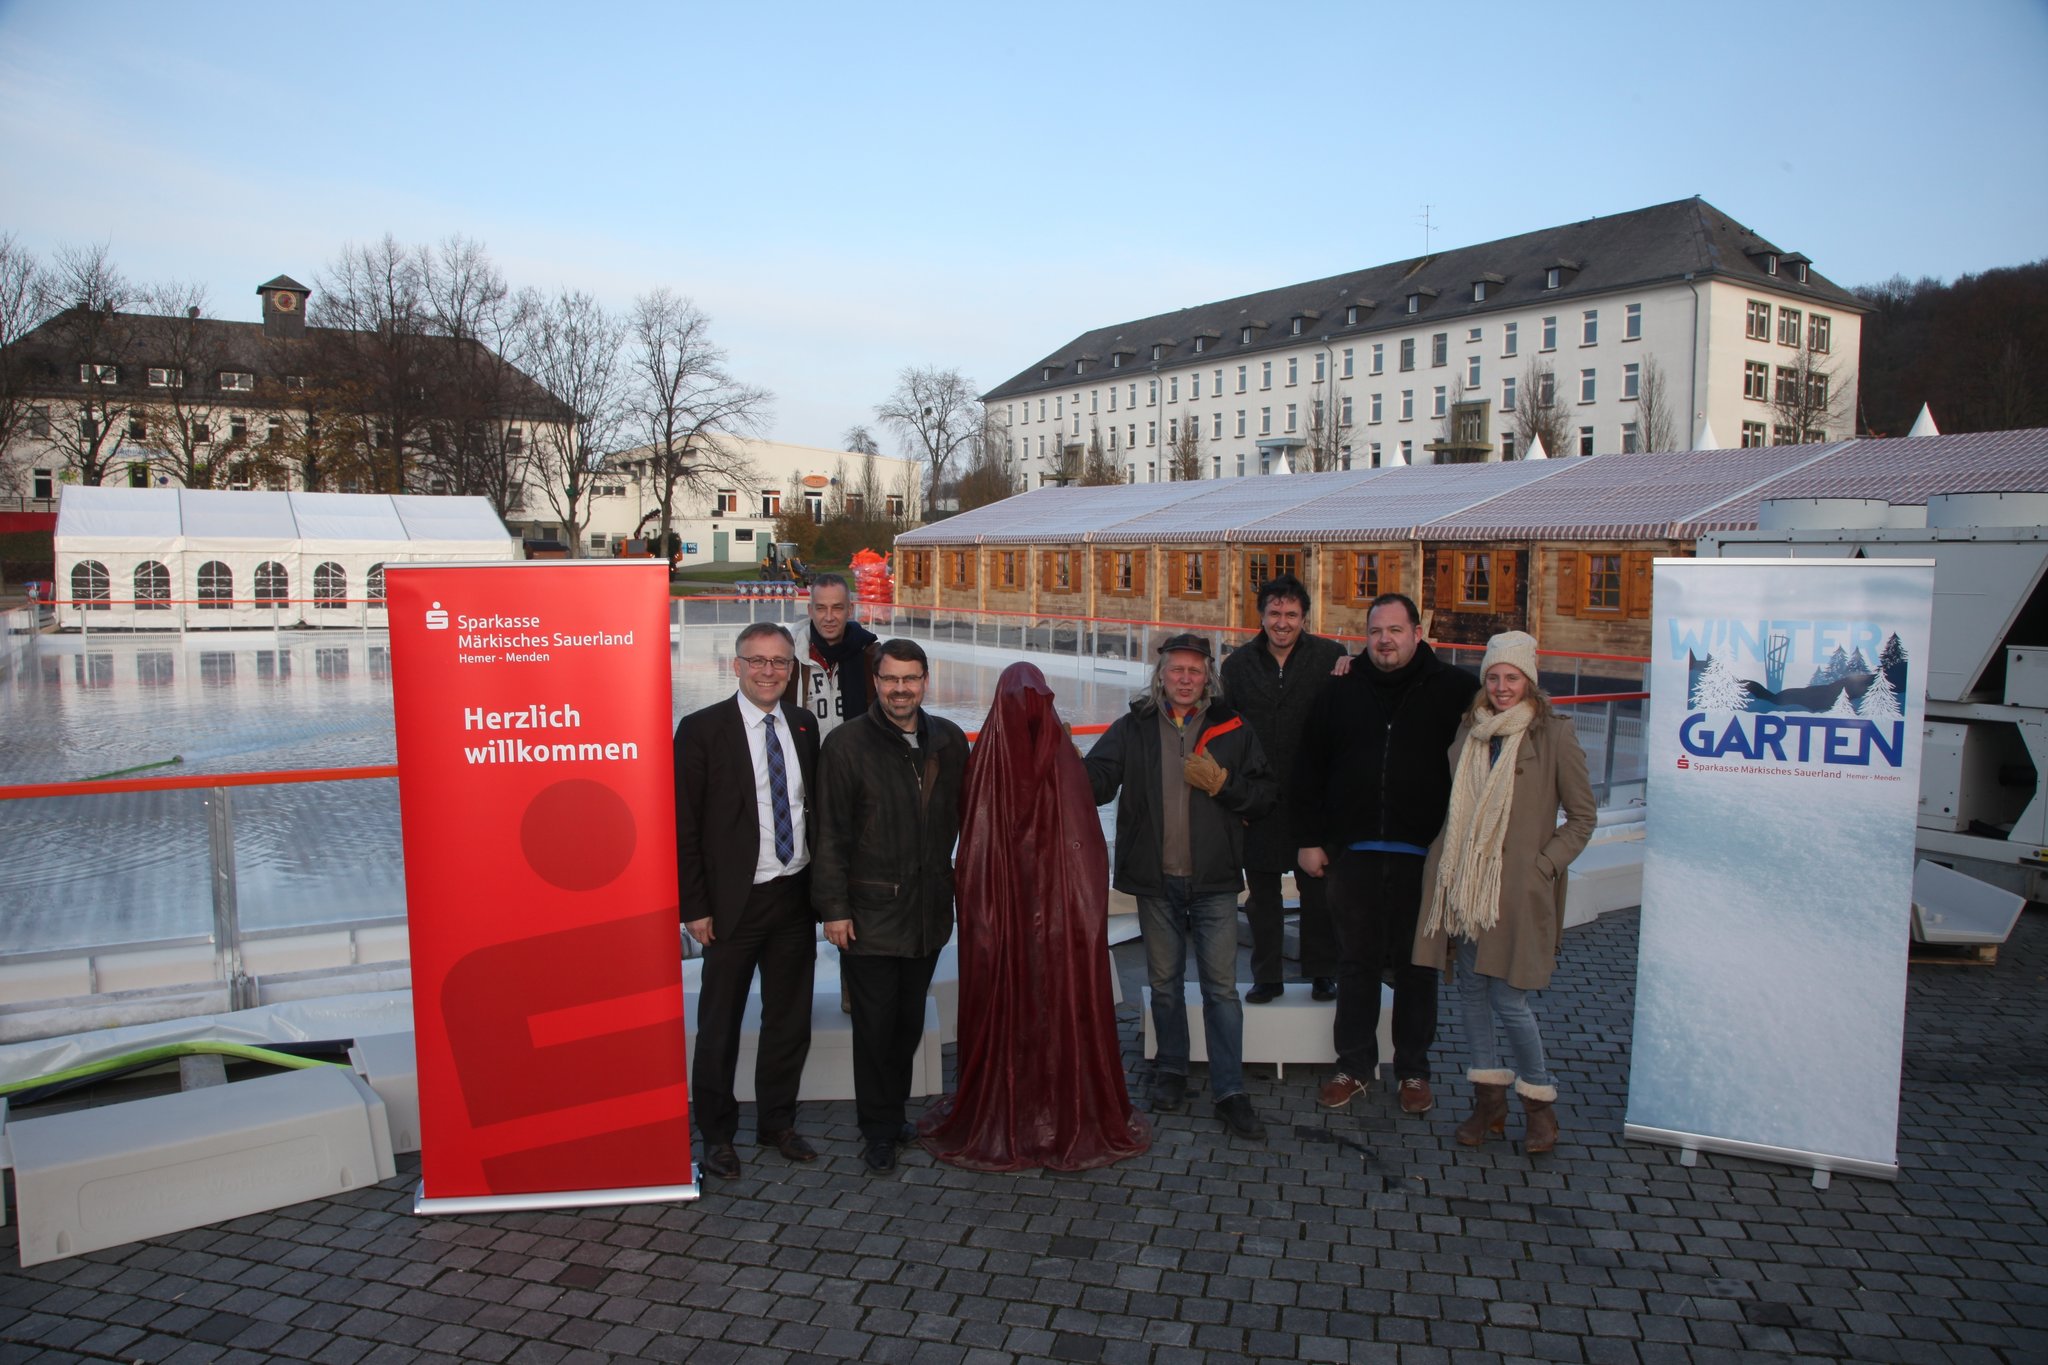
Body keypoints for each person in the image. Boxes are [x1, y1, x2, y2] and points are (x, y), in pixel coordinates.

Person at [922, 662, 1151, 1171]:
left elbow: (1080, 845)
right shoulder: (1016, 765)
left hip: (1044, 916)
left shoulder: (1032, 764)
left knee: (1039, 1002)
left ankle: (1034, 1101)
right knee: (1030, 1001)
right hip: (1018, 917)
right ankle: (1040, 1102)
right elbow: (982, 850)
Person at [1292, 593, 1479, 1118]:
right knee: (1356, 964)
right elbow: (1309, 767)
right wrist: (1309, 839)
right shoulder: (1340, 688)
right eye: (1376, 631)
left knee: (1418, 968)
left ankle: (1413, 1070)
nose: (1385, 640)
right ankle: (1352, 1065)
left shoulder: (1454, 690)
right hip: (1355, 854)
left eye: (1396, 630)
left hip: (1425, 855)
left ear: (1418, 634)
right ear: (1365, 635)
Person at [1085, 633, 1277, 1140]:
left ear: (1207, 676)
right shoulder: (1135, 727)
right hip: (1155, 881)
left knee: (1221, 991)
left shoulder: (1232, 728)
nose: (1185, 679)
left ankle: (1230, 1089)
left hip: (1213, 882)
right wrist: (1065, 758)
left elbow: (1263, 796)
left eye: (1195, 671)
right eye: (1177, 670)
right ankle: (1170, 1070)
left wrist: (1224, 785)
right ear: (1161, 674)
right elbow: (1099, 781)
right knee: (1165, 986)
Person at [1414, 631, 1596, 1153]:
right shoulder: (1471, 731)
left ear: (1529, 681)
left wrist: (1544, 866)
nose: (1501, 687)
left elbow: (1583, 817)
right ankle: (1488, 1104)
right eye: (1493, 677)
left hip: (1515, 890)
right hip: (1466, 888)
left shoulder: (1553, 735)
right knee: (1471, 994)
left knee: (1510, 1000)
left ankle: (1539, 1108)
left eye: (1511, 677)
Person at [812, 639, 970, 1174]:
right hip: (869, 914)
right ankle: (877, 1129)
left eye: (910, 679)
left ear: (926, 680)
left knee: (906, 1025)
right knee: (874, 1030)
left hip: (927, 911)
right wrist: (835, 910)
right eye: (889, 679)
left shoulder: (947, 739)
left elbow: (974, 814)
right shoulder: (847, 744)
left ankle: (893, 1114)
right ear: (875, 682)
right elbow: (829, 833)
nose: (900, 689)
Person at [674, 621, 822, 1181]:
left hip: (793, 897)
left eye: (779, 662)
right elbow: (684, 825)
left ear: (792, 669)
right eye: (757, 660)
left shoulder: (804, 726)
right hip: (732, 905)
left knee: (790, 1020)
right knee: (720, 1025)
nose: (768, 671)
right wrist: (695, 906)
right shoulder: (702, 729)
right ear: (735, 665)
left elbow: (813, 813)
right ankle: (717, 1135)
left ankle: (777, 1123)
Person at [1219, 573, 1347, 1005]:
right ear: (1261, 615)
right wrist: (1234, 795)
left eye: (1291, 614)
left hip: (1313, 798)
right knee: (1263, 900)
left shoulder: (1330, 657)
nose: (1283, 622)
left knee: (1319, 895)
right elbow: (1226, 733)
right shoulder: (1236, 666)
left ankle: (1321, 971)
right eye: (1275, 613)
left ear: (1304, 617)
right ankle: (1267, 976)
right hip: (1258, 800)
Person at [786, 573, 879, 737]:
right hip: (807, 759)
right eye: (821, 608)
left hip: (855, 757)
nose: (829, 617)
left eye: (837, 608)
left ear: (850, 610)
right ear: (810, 610)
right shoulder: (789, 658)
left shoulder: (871, 656)